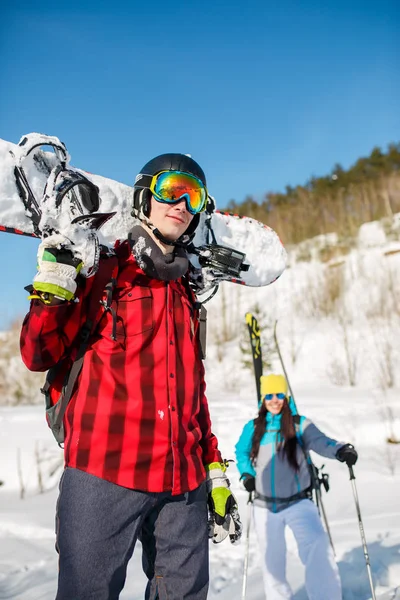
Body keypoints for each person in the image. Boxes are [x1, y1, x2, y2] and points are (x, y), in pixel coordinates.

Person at [20, 153, 242, 600]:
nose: (181, 203)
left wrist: (214, 467)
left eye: (192, 196)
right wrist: (54, 283)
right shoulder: (102, 270)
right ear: (144, 196)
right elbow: (37, 354)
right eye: (170, 189)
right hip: (105, 471)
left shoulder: (186, 295)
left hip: (184, 481)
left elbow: (192, 396)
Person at [235, 374, 358, 600]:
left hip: (298, 502)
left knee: (318, 547)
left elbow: (322, 442)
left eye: (279, 394)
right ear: (263, 399)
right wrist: (247, 475)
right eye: (269, 395)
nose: (274, 400)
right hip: (264, 505)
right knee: (272, 564)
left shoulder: (300, 424)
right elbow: (241, 453)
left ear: (286, 396)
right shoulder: (253, 428)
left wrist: (341, 450)